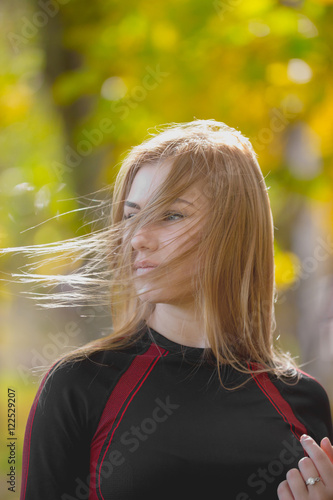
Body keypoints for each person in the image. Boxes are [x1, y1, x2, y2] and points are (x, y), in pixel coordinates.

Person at [11, 119, 333, 499]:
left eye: (171, 215)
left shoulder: (303, 400)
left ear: (234, 229)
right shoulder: (78, 386)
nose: (138, 238)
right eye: (132, 216)